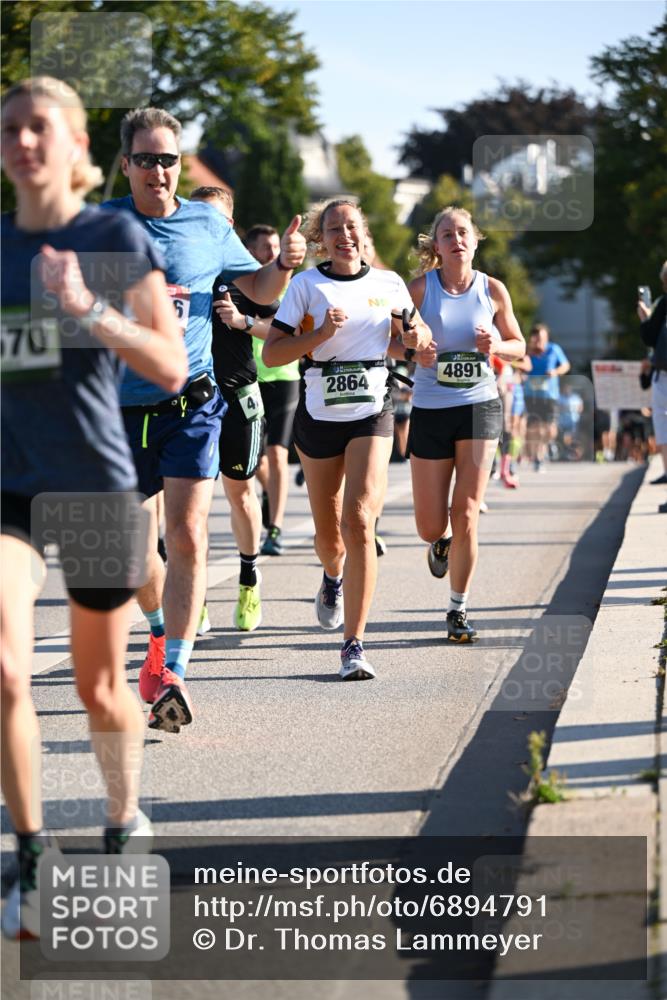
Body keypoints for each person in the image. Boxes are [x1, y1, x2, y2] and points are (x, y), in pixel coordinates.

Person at [1, 77, 187, 939]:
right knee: (5, 670)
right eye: (10, 128)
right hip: (9, 483)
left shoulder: (112, 236)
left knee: (100, 687)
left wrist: (86, 309)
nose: (23, 140)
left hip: (95, 480)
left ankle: (123, 817)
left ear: (76, 147)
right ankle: (31, 857)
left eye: (40, 126)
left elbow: (169, 366)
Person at [103, 108, 306, 732]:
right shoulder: (100, 225)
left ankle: (176, 674)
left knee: (189, 535)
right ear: (126, 165)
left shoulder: (206, 224)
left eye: (168, 159)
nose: (158, 171)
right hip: (117, 410)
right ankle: (160, 636)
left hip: (191, 402)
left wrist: (287, 264)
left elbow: (260, 289)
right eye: (146, 160)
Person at [263, 199, 431, 679]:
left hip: (372, 409)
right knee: (328, 535)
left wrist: (417, 339)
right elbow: (274, 355)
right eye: (333, 228)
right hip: (318, 413)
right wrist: (319, 337)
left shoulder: (388, 283)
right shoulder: (306, 286)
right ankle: (332, 577)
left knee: (358, 519)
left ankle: (353, 644)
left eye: (351, 226)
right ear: (322, 238)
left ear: (363, 232)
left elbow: (413, 336)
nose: (344, 235)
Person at [407, 206, 525, 642]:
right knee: (430, 526)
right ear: (435, 246)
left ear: (475, 241)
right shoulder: (419, 289)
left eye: (463, 233)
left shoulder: (492, 289)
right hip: (431, 408)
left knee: (468, 511)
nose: (456, 240)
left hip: (480, 406)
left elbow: (519, 345)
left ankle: (458, 608)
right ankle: (441, 543)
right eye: (446, 234)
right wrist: (414, 347)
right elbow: (393, 337)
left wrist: (497, 343)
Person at [189, 188, 277, 632]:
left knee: (240, 492)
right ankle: (194, 596)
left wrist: (243, 321)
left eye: (217, 219)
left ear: (230, 224)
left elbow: (281, 328)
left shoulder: (245, 273)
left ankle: (248, 576)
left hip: (238, 393)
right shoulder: (180, 267)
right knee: (193, 507)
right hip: (191, 398)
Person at [247, 225, 302, 557]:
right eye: (266, 248)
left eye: (275, 246)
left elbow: (288, 329)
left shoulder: (291, 285)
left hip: (283, 375)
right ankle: (269, 491)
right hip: (248, 377)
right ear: (251, 251)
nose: (272, 252)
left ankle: (276, 528)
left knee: (278, 453)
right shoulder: (241, 283)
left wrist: (245, 322)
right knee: (254, 461)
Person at [523, 323, 570, 472]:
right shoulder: (528, 351)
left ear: (546, 338)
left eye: (542, 338)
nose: (539, 342)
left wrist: (555, 372)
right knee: (535, 429)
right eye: (536, 338)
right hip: (531, 395)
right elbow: (520, 367)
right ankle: (538, 458)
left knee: (550, 430)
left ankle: (549, 444)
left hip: (550, 395)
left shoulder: (554, 349)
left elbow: (566, 365)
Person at [638, 261, 667, 485]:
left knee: (663, 422)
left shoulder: (664, 303)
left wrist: (645, 317)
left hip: (664, 375)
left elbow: (650, 337)